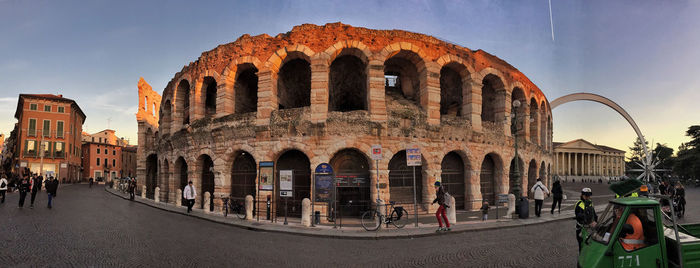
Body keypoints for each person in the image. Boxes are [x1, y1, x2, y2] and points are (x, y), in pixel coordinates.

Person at [575, 188, 598, 252]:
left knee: (590, 245)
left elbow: (594, 214)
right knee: (581, 246)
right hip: (581, 228)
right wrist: (586, 215)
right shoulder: (579, 203)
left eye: (589, 196)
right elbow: (578, 216)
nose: (588, 197)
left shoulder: (591, 203)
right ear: (582, 195)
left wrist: (595, 222)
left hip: (590, 228)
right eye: (586, 195)